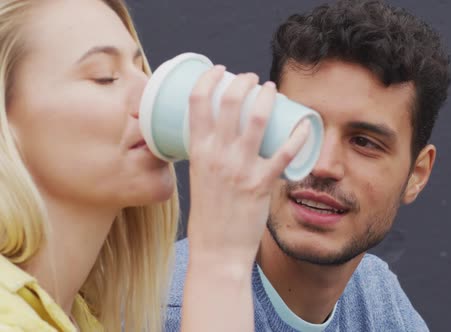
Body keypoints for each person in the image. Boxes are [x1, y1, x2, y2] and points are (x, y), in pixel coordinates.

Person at [0, 0, 308, 331]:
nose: (149, 94)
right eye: (104, 77)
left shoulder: (83, 317)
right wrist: (220, 262)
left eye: (141, 68)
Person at [167, 0, 451, 331]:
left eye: (364, 142)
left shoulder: (378, 300)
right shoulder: (164, 315)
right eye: (302, 126)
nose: (322, 165)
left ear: (416, 175)